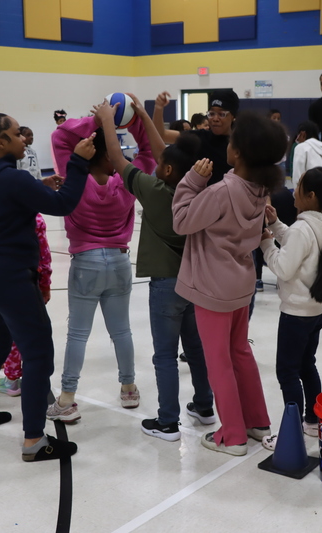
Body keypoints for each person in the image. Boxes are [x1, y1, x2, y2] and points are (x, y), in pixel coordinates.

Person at [0, 106, 91, 462]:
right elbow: (64, 204)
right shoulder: (14, 179)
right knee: (38, 354)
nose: (23, 138)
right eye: (17, 133)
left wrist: (35, 190)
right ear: (0, 141)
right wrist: (78, 162)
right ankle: (34, 438)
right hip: (11, 278)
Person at [94, 97, 216, 442]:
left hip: (166, 286)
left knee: (164, 354)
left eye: (161, 163)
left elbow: (116, 158)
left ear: (167, 171)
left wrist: (107, 119)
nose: (157, 162)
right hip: (195, 283)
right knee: (196, 349)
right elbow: (166, 153)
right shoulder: (200, 193)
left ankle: (168, 421)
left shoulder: (154, 190)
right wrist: (145, 115)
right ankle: (204, 406)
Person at [172, 111, 286, 456]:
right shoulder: (260, 189)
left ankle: (233, 434)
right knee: (240, 351)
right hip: (241, 283)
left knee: (218, 360)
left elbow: (181, 221)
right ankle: (257, 421)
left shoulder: (222, 191)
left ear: (239, 151)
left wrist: (192, 181)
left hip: (212, 288)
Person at [47, 98, 156, 421]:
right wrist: (133, 119)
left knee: (77, 334)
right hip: (120, 263)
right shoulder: (127, 183)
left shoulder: (73, 180)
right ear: (111, 158)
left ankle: (67, 398)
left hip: (86, 264)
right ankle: (129, 388)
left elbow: (60, 136)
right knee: (121, 331)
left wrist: (99, 121)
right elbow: (149, 153)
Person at [258, 167, 322, 450]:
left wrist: (266, 242)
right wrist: (276, 225)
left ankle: (291, 433)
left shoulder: (302, 228)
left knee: (287, 372)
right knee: (307, 365)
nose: (294, 190)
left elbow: (284, 267)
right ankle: (313, 421)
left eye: (299, 186)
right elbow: (301, 246)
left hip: (296, 314)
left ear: (311, 196)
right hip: (317, 310)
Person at [0, 213, 52, 397]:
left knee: (10, 330)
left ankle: (11, 379)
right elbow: (44, 255)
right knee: (33, 331)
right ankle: (34, 375)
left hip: (0, 279)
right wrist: (45, 284)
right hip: (29, 280)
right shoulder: (36, 219)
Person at [292, 121, 322, 189]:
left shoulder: (301, 147)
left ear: (303, 134)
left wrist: (297, 192)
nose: (297, 139)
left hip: (309, 191)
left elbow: (297, 176)